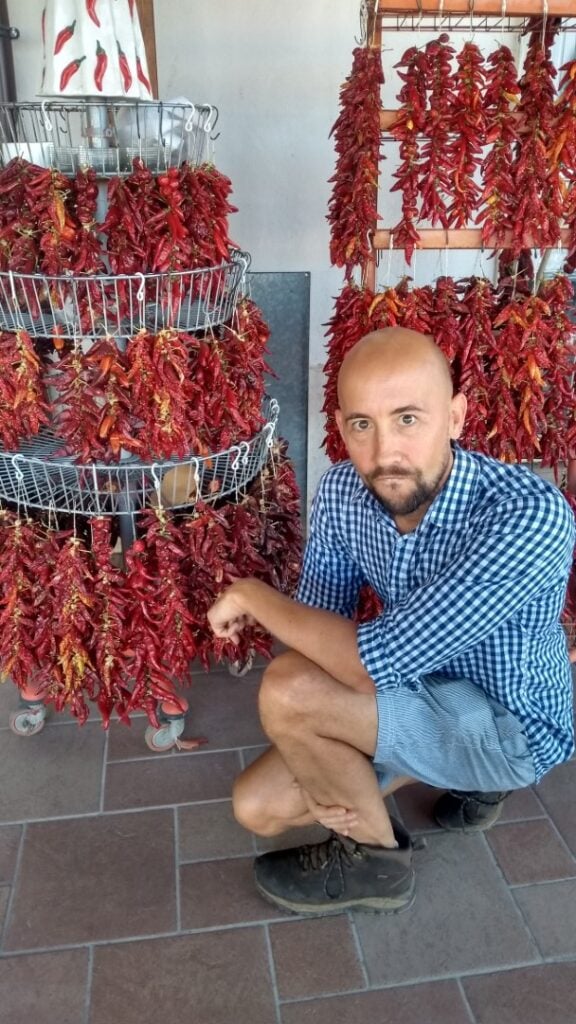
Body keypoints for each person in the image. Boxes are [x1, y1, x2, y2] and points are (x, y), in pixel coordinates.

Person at [207, 327, 575, 916]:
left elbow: (361, 664)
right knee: (258, 805)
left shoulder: (528, 515)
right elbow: (318, 627)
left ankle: (376, 862)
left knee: (289, 692)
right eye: (362, 425)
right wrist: (317, 753)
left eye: (408, 419)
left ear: (456, 417)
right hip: (411, 693)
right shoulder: (343, 493)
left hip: (509, 724)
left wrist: (252, 595)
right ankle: (409, 776)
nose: (383, 456)